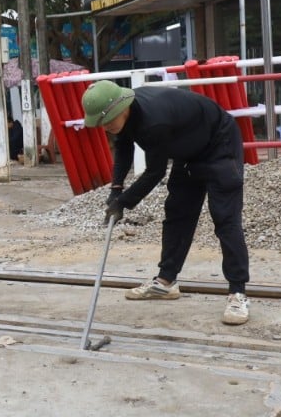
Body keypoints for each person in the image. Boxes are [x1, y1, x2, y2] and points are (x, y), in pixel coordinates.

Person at [81, 79, 250, 325]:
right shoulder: (124, 115)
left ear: (122, 108)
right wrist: (116, 189)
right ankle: (166, 282)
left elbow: (154, 173)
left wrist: (124, 203)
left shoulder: (154, 123)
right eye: (101, 124)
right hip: (187, 148)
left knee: (225, 218)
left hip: (218, 143)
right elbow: (124, 149)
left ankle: (238, 292)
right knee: (178, 214)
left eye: (107, 121)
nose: (105, 127)